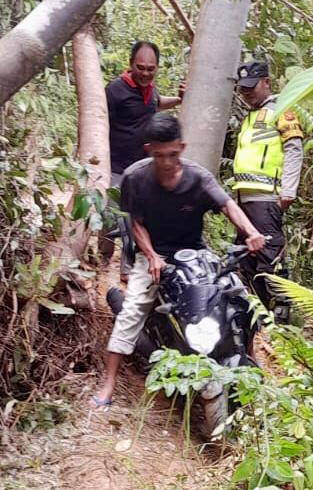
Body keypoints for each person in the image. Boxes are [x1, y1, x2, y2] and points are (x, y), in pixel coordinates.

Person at [91, 113, 265, 407]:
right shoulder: (136, 178)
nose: (167, 162)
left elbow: (227, 205)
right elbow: (135, 223)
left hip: (196, 252)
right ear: (150, 151)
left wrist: (251, 231)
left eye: (173, 154)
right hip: (154, 254)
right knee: (133, 309)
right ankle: (108, 385)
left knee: (240, 297)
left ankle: (249, 356)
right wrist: (152, 256)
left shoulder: (199, 177)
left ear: (182, 148)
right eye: (160, 155)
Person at [100, 41, 184, 278]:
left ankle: (127, 268)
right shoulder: (115, 90)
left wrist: (178, 100)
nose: (146, 73)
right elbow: (99, 122)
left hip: (143, 168)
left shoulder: (149, 90)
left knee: (135, 219)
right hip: (116, 166)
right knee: (113, 217)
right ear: (130, 65)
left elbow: (156, 103)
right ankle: (101, 260)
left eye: (151, 68)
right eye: (141, 67)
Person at [232, 60, 304, 322]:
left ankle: (281, 319)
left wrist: (288, 191)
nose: (247, 92)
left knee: (269, 258)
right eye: (243, 89)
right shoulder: (250, 117)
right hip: (243, 200)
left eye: (252, 87)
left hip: (266, 198)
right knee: (244, 260)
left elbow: (294, 148)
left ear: (267, 82)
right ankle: (256, 315)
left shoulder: (281, 111)